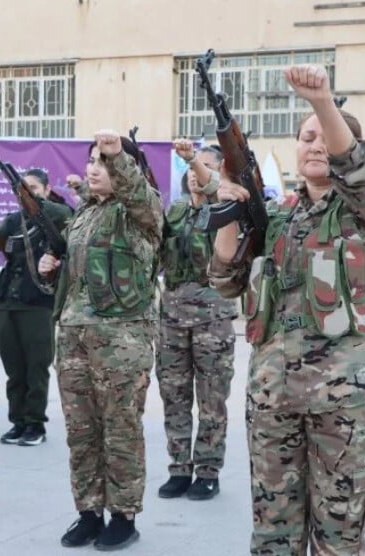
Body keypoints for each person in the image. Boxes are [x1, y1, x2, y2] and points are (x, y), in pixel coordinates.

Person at [207, 65, 365, 555]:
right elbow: (225, 281)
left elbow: (357, 170)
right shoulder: (273, 217)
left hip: (345, 402)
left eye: (326, 136)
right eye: (306, 137)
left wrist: (321, 102)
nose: (315, 144)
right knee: (272, 530)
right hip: (273, 399)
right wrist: (229, 209)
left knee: (339, 533)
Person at [39, 130, 163, 551]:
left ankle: (124, 515)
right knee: (81, 430)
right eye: (92, 160)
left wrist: (119, 156)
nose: (94, 168)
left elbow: (138, 194)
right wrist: (51, 270)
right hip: (73, 336)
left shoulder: (140, 211)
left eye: (104, 161)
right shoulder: (84, 213)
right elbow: (82, 276)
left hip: (121, 339)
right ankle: (88, 511)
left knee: (121, 428)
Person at [155, 142, 237, 501]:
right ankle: (179, 467)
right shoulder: (174, 212)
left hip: (212, 318)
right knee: (173, 394)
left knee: (211, 397)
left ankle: (207, 470)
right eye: (190, 168)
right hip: (172, 317)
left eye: (204, 167)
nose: (194, 175)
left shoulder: (227, 212)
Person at [0, 168, 73, 446]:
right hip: (7, 300)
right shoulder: (14, 219)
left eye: (33, 188)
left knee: (36, 367)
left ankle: (35, 423)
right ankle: (17, 421)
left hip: (38, 300)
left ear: (47, 189)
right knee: (13, 368)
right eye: (22, 189)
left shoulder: (59, 215)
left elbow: (69, 245)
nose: (27, 193)